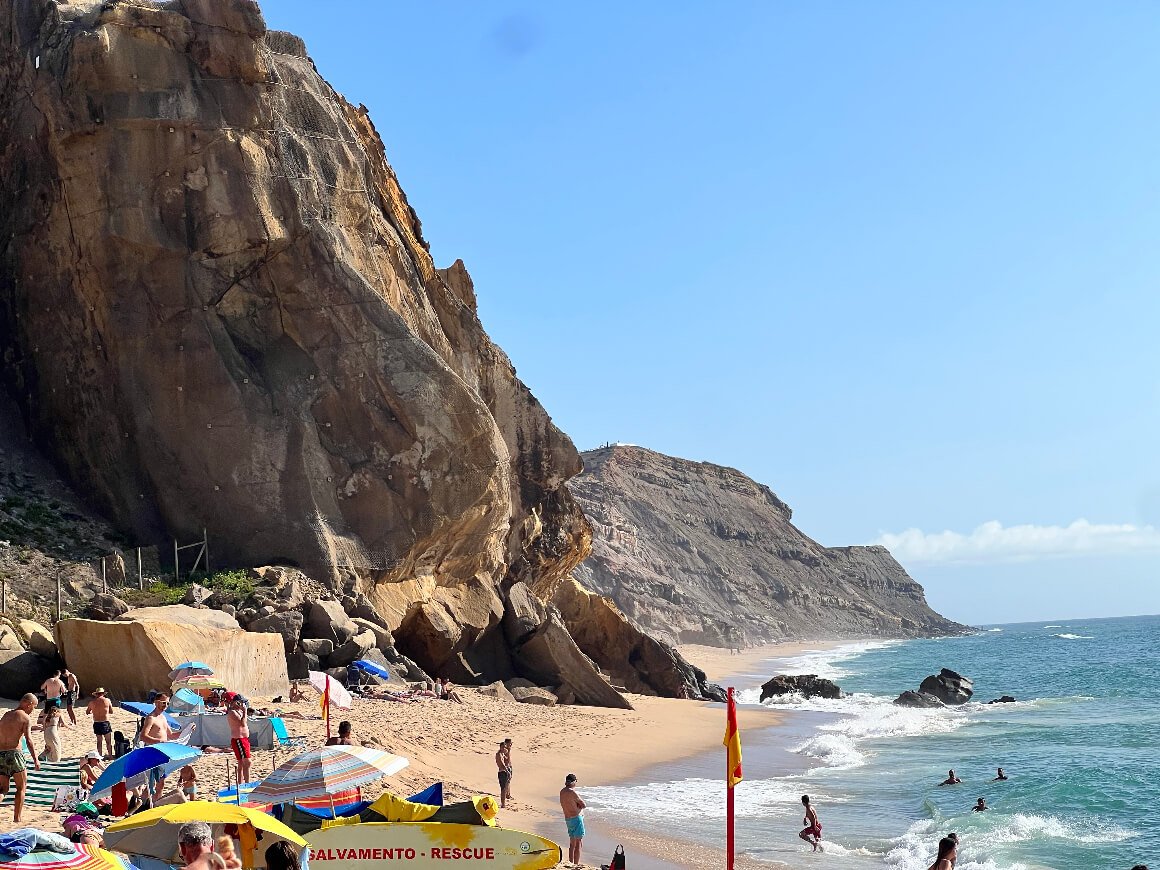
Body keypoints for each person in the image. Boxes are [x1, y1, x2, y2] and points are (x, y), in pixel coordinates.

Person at [0, 694, 40, 822]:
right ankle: (17, 818)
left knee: (3, 789)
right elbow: (29, 740)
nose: (33, 710)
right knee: (21, 787)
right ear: (29, 704)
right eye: (34, 707)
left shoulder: (6, 715)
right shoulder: (25, 717)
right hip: (15, 754)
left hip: (1, 754)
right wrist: (36, 759)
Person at [140, 693, 179, 800]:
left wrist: (186, 731)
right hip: (153, 752)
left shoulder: (163, 717)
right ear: (156, 702)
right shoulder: (151, 718)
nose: (165, 705)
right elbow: (143, 736)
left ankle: (156, 804)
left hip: (163, 752)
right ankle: (141, 805)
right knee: (152, 782)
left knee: (161, 783)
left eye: (167, 703)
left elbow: (171, 735)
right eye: (163, 703)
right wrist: (159, 741)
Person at [559, 773, 586, 867]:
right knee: (578, 842)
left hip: (568, 819)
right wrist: (578, 806)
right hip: (576, 818)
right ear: (573, 782)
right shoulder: (572, 792)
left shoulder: (562, 791)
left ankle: (570, 862)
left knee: (572, 842)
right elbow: (583, 805)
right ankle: (576, 864)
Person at [226, 693, 251, 784]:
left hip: (243, 739)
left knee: (241, 763)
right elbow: (242, 723)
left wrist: (244, 711)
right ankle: (247, 783)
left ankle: (240, 783)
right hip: (239, 739)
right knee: (247, 762)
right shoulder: (232, 712)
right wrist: (245, 711)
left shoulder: (238, 711)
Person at [86, 687, 114, 759]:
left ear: (96, 694)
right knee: (108, 741)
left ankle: (99, 756)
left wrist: (94, 711)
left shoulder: (91, 703)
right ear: (103, 694)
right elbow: (111, 711)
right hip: (105, 722)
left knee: (99, 741)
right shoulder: (107, 701)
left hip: (96, 722)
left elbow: (87, 712)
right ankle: (110, 756)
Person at [496, 739, 513, 807]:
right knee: (503, 789)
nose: (504, 749)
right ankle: (503, 804)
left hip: (504, 772)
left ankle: (504, 803)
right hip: (502, 772)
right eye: (503, 747)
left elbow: (508, 761)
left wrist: (508, 751)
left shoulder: (502, 754)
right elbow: (502, 764)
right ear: (500, 747)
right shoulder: (499, 754)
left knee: (504, 788)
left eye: (505, 747)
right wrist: (507, 771)